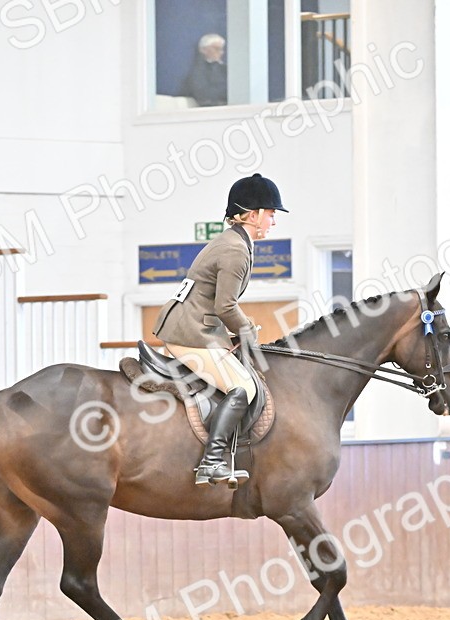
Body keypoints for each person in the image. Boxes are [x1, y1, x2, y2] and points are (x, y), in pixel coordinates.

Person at [152, 173, 288, 486]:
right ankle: (211, 462)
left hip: (199, 326)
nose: (273, 222)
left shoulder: (235, 243)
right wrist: (248, 332)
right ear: (253, 215)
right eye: (270, 215)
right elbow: (226, 306)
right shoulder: (235, 250)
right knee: (243, 388)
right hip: (189, 331)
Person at [180, 33, 227, 107]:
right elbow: (203, 94)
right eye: (217, 49)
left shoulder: (225, 70)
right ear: (203, 50)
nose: (221, 52)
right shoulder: (196, 72)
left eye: (221, 49)